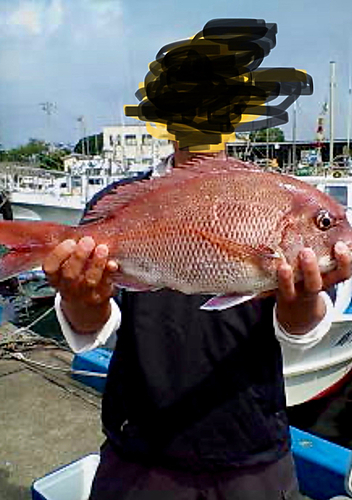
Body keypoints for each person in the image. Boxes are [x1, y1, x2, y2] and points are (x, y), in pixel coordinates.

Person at [43, 147, 352, 500]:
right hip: (138, 452)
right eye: (325, 224)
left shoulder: (268, 191)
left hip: (253, 450)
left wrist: (302, 301)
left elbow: (301, 331)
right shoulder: (118, 202)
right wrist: (80, 298)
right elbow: (92, 326)